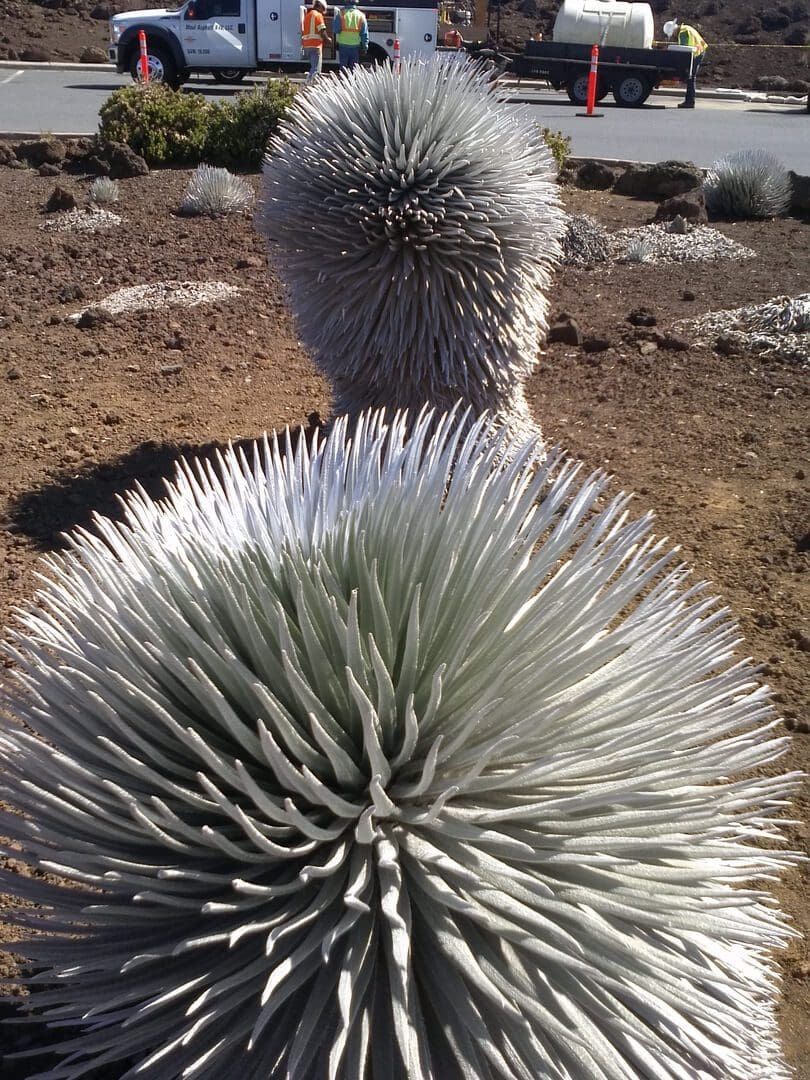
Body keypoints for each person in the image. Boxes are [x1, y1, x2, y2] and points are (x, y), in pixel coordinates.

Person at [664, 18, 708, 109]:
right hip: (699, 52)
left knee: (690, 77)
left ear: (674, 30)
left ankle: (689, 102)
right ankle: (689, 101)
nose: (674, 36)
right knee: (691, 77)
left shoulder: (683, 33)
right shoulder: (685, 28)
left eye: (672, 34)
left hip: (696, 54)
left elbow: (684, 50)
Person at [301, 0, 331, 83]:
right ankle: (310, 85)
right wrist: (328, 40)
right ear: (320, 6)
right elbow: (322, 30)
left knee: (313, 67)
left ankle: (309, 83)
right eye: (323, 9)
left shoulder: (308, 15)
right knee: (316, 69)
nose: (323, 11)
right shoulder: (318, 15)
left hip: (307, 45)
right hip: (315, 45)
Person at [335, 0, 368, 69]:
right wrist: (365, 47)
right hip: (355, 46)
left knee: (343, 68)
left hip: (343, 45)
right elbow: (364, 34)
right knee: (353, 68)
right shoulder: (361, 15)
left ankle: (343, 79)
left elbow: (336, 30)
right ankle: (352, 79)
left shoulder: (340, 14)